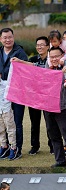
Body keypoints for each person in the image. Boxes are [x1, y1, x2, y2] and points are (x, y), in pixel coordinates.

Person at [0, 28, 27, 159]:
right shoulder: (0, 52)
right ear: (1, 39)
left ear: (13, 37)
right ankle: (4, 146)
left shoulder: (20, 52)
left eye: (10, 37)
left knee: (16, 121)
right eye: (5, 37)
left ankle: (16, 148)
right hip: (2, 92)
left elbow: (26, 71)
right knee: (3, 120)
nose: (8, 40)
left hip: (17, 92)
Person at [27, 36, 51, 155]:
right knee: (34, 122)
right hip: (34, 96)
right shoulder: (32, 59)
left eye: (42, 45)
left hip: (48, 96)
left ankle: (53, 145)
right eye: (37, 45)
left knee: (50, 122)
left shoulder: (51, 60)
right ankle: (35, 146)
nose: (39, 47)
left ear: (48, 46)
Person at [0, 73, 16, 160]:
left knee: (10, 130)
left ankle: (13, 148)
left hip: (7, 110)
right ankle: (3, 146)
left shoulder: (6, 84)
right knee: (1, 130)